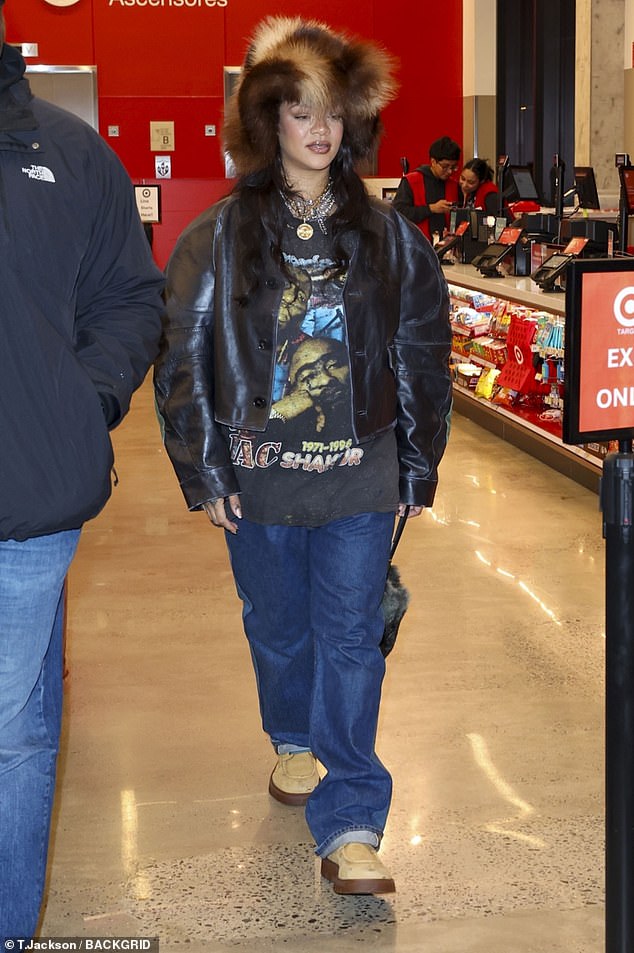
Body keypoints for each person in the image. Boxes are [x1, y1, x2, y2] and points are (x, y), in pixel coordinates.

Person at [154, 15, 452, 896]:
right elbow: (184, 356)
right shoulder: (217, 236)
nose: (318, 130)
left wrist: (416, 468)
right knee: (280, 632)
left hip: (362, 475)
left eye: (332, 112)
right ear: (267, 120)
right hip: (260, 484)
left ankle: (354, 819)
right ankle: (291, 734)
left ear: (353, 121)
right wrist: (204, 470)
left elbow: (423, 352)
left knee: (352, 639)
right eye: (298, 111)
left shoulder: (390, 236)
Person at [0, 0, 164, 941]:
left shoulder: (69, 153)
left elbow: (129, 294)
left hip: (28, 503)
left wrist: (84, 398)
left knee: (12, 735)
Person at [392, 135, 461, 241]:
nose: (450, 172)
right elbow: (398, 213)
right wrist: (431, 209)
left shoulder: (454, 185)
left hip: (448, 246)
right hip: (417, 244)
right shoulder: (412, 181)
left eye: (453, 167)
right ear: (433, 162)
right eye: (445, 167)